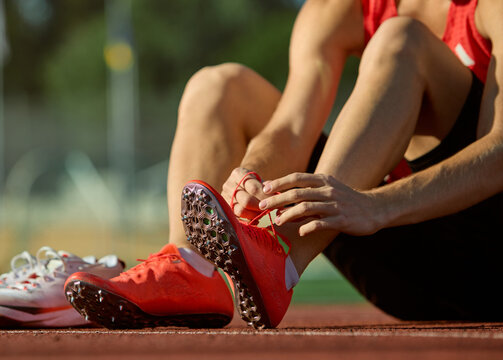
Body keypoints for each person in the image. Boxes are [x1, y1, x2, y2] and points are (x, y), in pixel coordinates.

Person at [65, 0, 503, 329]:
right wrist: (250, 173)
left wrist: (377, 205)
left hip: (483, 260)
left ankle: (285, 257)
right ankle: (187, 270)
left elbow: (498, 159)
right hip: (400, 269)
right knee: (217, 88)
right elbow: (293, 127)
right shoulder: (337, 9)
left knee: (401, 38)